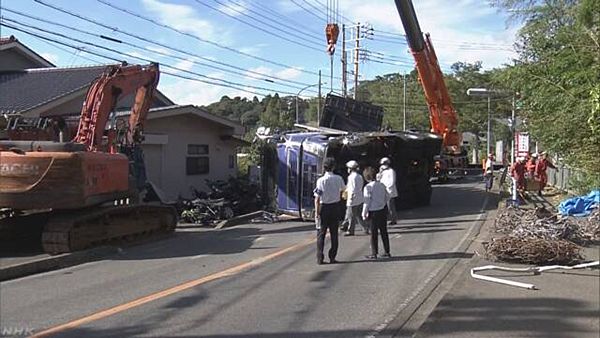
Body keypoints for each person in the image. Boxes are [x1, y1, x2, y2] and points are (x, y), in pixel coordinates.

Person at [314, 157, 345, 265]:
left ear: (324, 167)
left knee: (321, 233)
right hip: (335, 207)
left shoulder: (320, 180)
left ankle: (320, 257)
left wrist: (317, 212)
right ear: (334, 167)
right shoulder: (339, 178)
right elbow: (343, 192)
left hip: (324, 207)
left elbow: (317, 198)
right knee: (334, 234)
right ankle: (332, 256)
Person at [362, 167, 391, 260]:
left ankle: (374, 253)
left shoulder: (368, 187)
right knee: (384, 231)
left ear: (366, 177)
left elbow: (367, 201)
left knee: (373, 233)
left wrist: (364, 213)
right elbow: (388, 196)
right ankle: (387, 251)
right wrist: (382, 203)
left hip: (373, 211)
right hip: (382, 210)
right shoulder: (381, 185)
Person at [341, 160, 368, 236]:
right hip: (360, 198)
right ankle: (365, 228)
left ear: (351, 169)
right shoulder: (359, 176)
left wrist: (350, 199)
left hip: (353, 198)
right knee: (359, 215)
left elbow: (352, 189)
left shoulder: (351, 177)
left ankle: (350, 230)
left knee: (351, 216)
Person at [377, 157, 398, 225]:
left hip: (389, 191)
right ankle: (386, 219)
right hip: (382, 191)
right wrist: (380, 173)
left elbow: (392, 181)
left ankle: (393, 219)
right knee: (383, 206)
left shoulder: (391, 171)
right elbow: (378, 179)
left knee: (390, 206)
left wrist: (386, 188)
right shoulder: (382, 171)